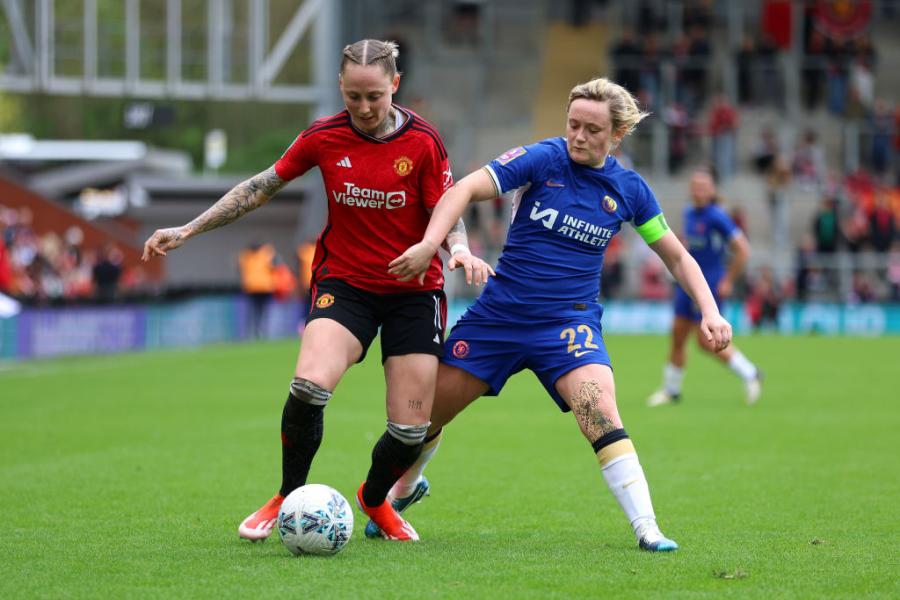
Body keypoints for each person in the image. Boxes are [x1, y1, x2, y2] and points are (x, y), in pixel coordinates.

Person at [142, 39, 492, 542]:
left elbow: (448, 208)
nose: (365, 108)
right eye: (353, 96)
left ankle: (374, 499)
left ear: (395, 85)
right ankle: (287, 494)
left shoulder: (424, 142)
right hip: (345, 283)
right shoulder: (323, 136)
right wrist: (189, 229)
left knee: (411, 428)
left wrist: (455, 248)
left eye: (375, 95)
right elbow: (259, 187)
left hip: (415, 291)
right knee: (308, 386)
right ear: (340, 88)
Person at [385, 77, 733, 551]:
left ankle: (648, 528)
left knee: (599, 412)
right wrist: (434, 245)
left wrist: (710, 310)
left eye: (592, 129)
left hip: (569, 325)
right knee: (423, 416)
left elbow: (677, 257)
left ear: (617, 135)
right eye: (573, 125)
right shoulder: (542, 159)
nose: (579, 136)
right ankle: (404, 490)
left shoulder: (629, 189)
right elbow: (463, 188)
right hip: (501, 317)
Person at [647, 168, 762, 407]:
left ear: (712, 190)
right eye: (695, 186)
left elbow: (742, 249)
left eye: (703, 187)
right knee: (678, 335)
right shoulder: (689, 213)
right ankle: (671, 390)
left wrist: (728, 279)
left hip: (708, 285)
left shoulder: (716, 216)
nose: (699, 191)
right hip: (686, 282)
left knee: (705, 341)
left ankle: (750, 373)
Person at [238, 241, 276, 339]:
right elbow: (276, 266)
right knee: (261, 311)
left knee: (254, 311)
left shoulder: (245, 256)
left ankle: (254, 332)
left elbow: (239, 270)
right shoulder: (267, 254)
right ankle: (260, 332)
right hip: (263, 287)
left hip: (253, 288)